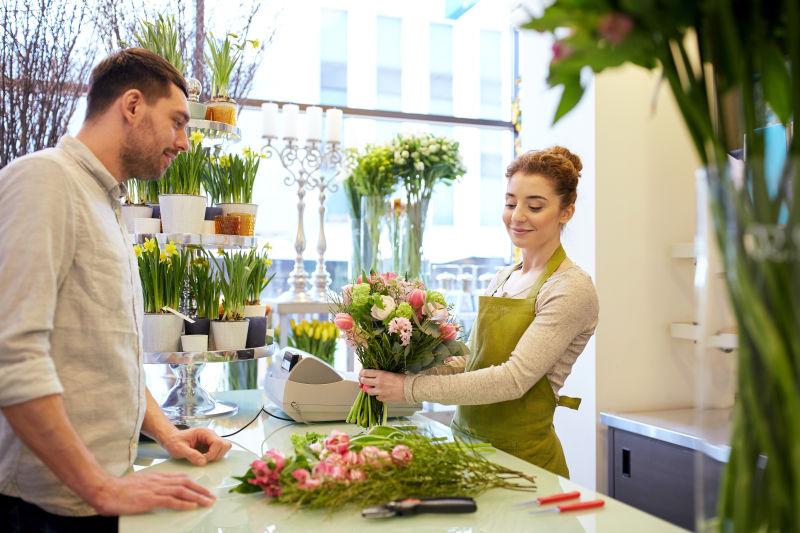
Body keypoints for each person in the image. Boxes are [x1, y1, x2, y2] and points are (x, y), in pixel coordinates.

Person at [0, 48, 232, 531]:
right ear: (131, 106)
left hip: (98, 494)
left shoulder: (105, 203)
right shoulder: (45, 180)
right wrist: (100, 488)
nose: (184, 142)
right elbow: (12, 356)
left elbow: (107, 355)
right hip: (48, 509)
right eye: (177, 122)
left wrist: (169, 434)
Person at [359, 146, 599, 478]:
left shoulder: (570, 288)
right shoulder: (504, 277)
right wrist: (403, 368)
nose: (517, 216)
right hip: (467, 450)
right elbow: (474, 359)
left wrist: (409, 389)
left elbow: (513, 380)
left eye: (535, 206)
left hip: (525, 466)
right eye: (511, 203)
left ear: (566, 212)